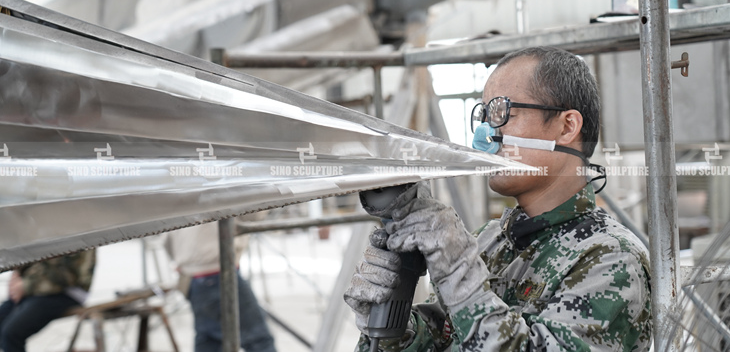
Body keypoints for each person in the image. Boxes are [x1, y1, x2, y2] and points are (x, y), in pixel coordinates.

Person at [344, 46, 652, 351]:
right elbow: (446, 337)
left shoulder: (612, 258)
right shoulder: (488, 241)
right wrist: (391, 327)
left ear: (567, 126)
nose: (486, 134)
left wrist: (459, 276)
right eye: (484, 116)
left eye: (503, 114)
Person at [164, 219, 277, 352]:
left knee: (210, 340)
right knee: (257, 339)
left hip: (193, 277)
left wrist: (184, 262)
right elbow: (254, 211)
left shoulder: (178, 203)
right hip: (217, 270)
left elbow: (166, 239)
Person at [0, 250, 96, 352]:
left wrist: (26, 285)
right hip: (35, 292)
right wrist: (17, 274)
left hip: (65, 292)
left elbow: (66, 277)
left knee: (12, 333)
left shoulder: (74, 239)